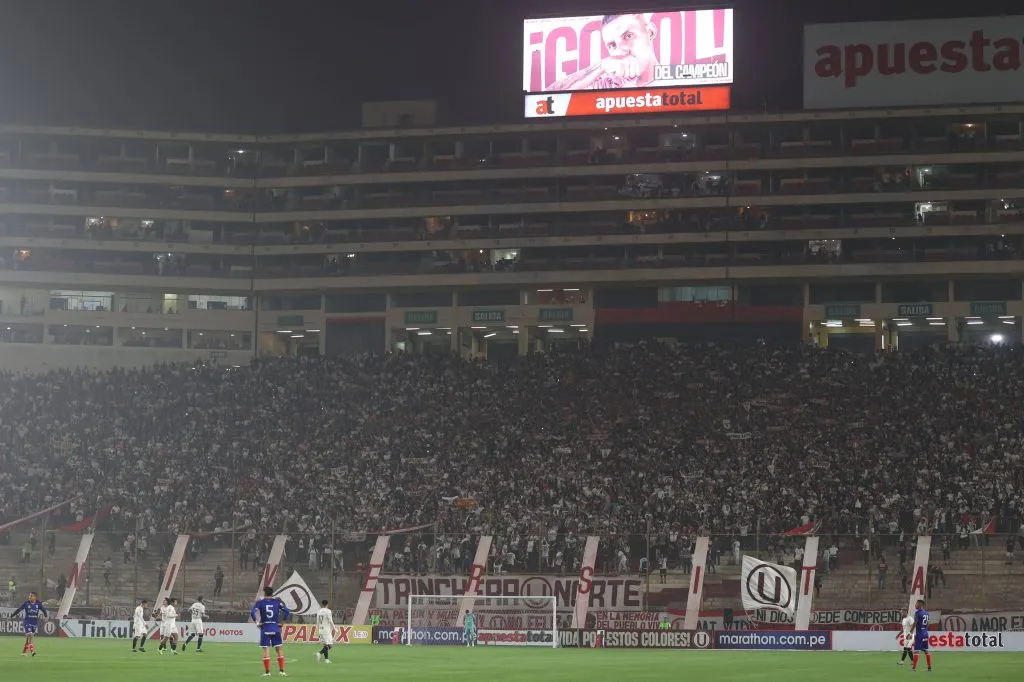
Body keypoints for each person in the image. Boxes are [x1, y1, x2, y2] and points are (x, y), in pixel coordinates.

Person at [548, 14, 660, 91]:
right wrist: (600, 67)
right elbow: (547, 100)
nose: (620, 50)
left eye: (628, 36)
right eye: (612, 45)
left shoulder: (674, 79)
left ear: (650, 32)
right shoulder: (606, 83)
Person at [251, 586, 290, 677]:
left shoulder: (260, 602)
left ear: (265, 593)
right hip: (275, 627)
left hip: (265, 627)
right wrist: (282, 622)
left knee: (266, 650)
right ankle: (281, 671)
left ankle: (267, 672)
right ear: (272, 593)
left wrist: (257, 622)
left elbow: (252, 612)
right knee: (279, 649)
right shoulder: (277, 602)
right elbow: (287, 611)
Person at [12, 592, 47, 656]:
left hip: (34, 622)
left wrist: (45, 616)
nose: (29, 597)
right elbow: (18, 609)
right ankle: (32, 651)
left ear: (35, 597)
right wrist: (12, 615)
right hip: (27, 621)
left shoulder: (38, 603)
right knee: (30, 634)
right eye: (29, 596)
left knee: (29, 638)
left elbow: (44, 610)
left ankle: (24, 652)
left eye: (31, 596)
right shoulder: (26, 603)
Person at [912, 599, 932, 672]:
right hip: (925, 633)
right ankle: (929, 668)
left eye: (916, 604)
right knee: (926, 650)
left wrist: (910, 632)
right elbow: (928, 623)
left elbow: (915, 623)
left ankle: (913, 668)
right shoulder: (927, 613)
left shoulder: (917, 613)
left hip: (919, 634)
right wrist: (925, 629)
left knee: (916, 651)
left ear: (920, 604)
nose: (915, 605)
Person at [315, 599, 335, 664]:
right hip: (326, 630)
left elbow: (317, 622)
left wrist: (318, 630)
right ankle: (319, 653)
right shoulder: (328, 611)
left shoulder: (319, 611)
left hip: (321, 629)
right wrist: (334, 628)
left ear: (322, 604)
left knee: (325, 645)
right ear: (327, 604)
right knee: (330, 645)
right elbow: (330, 620)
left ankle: (326, 660)